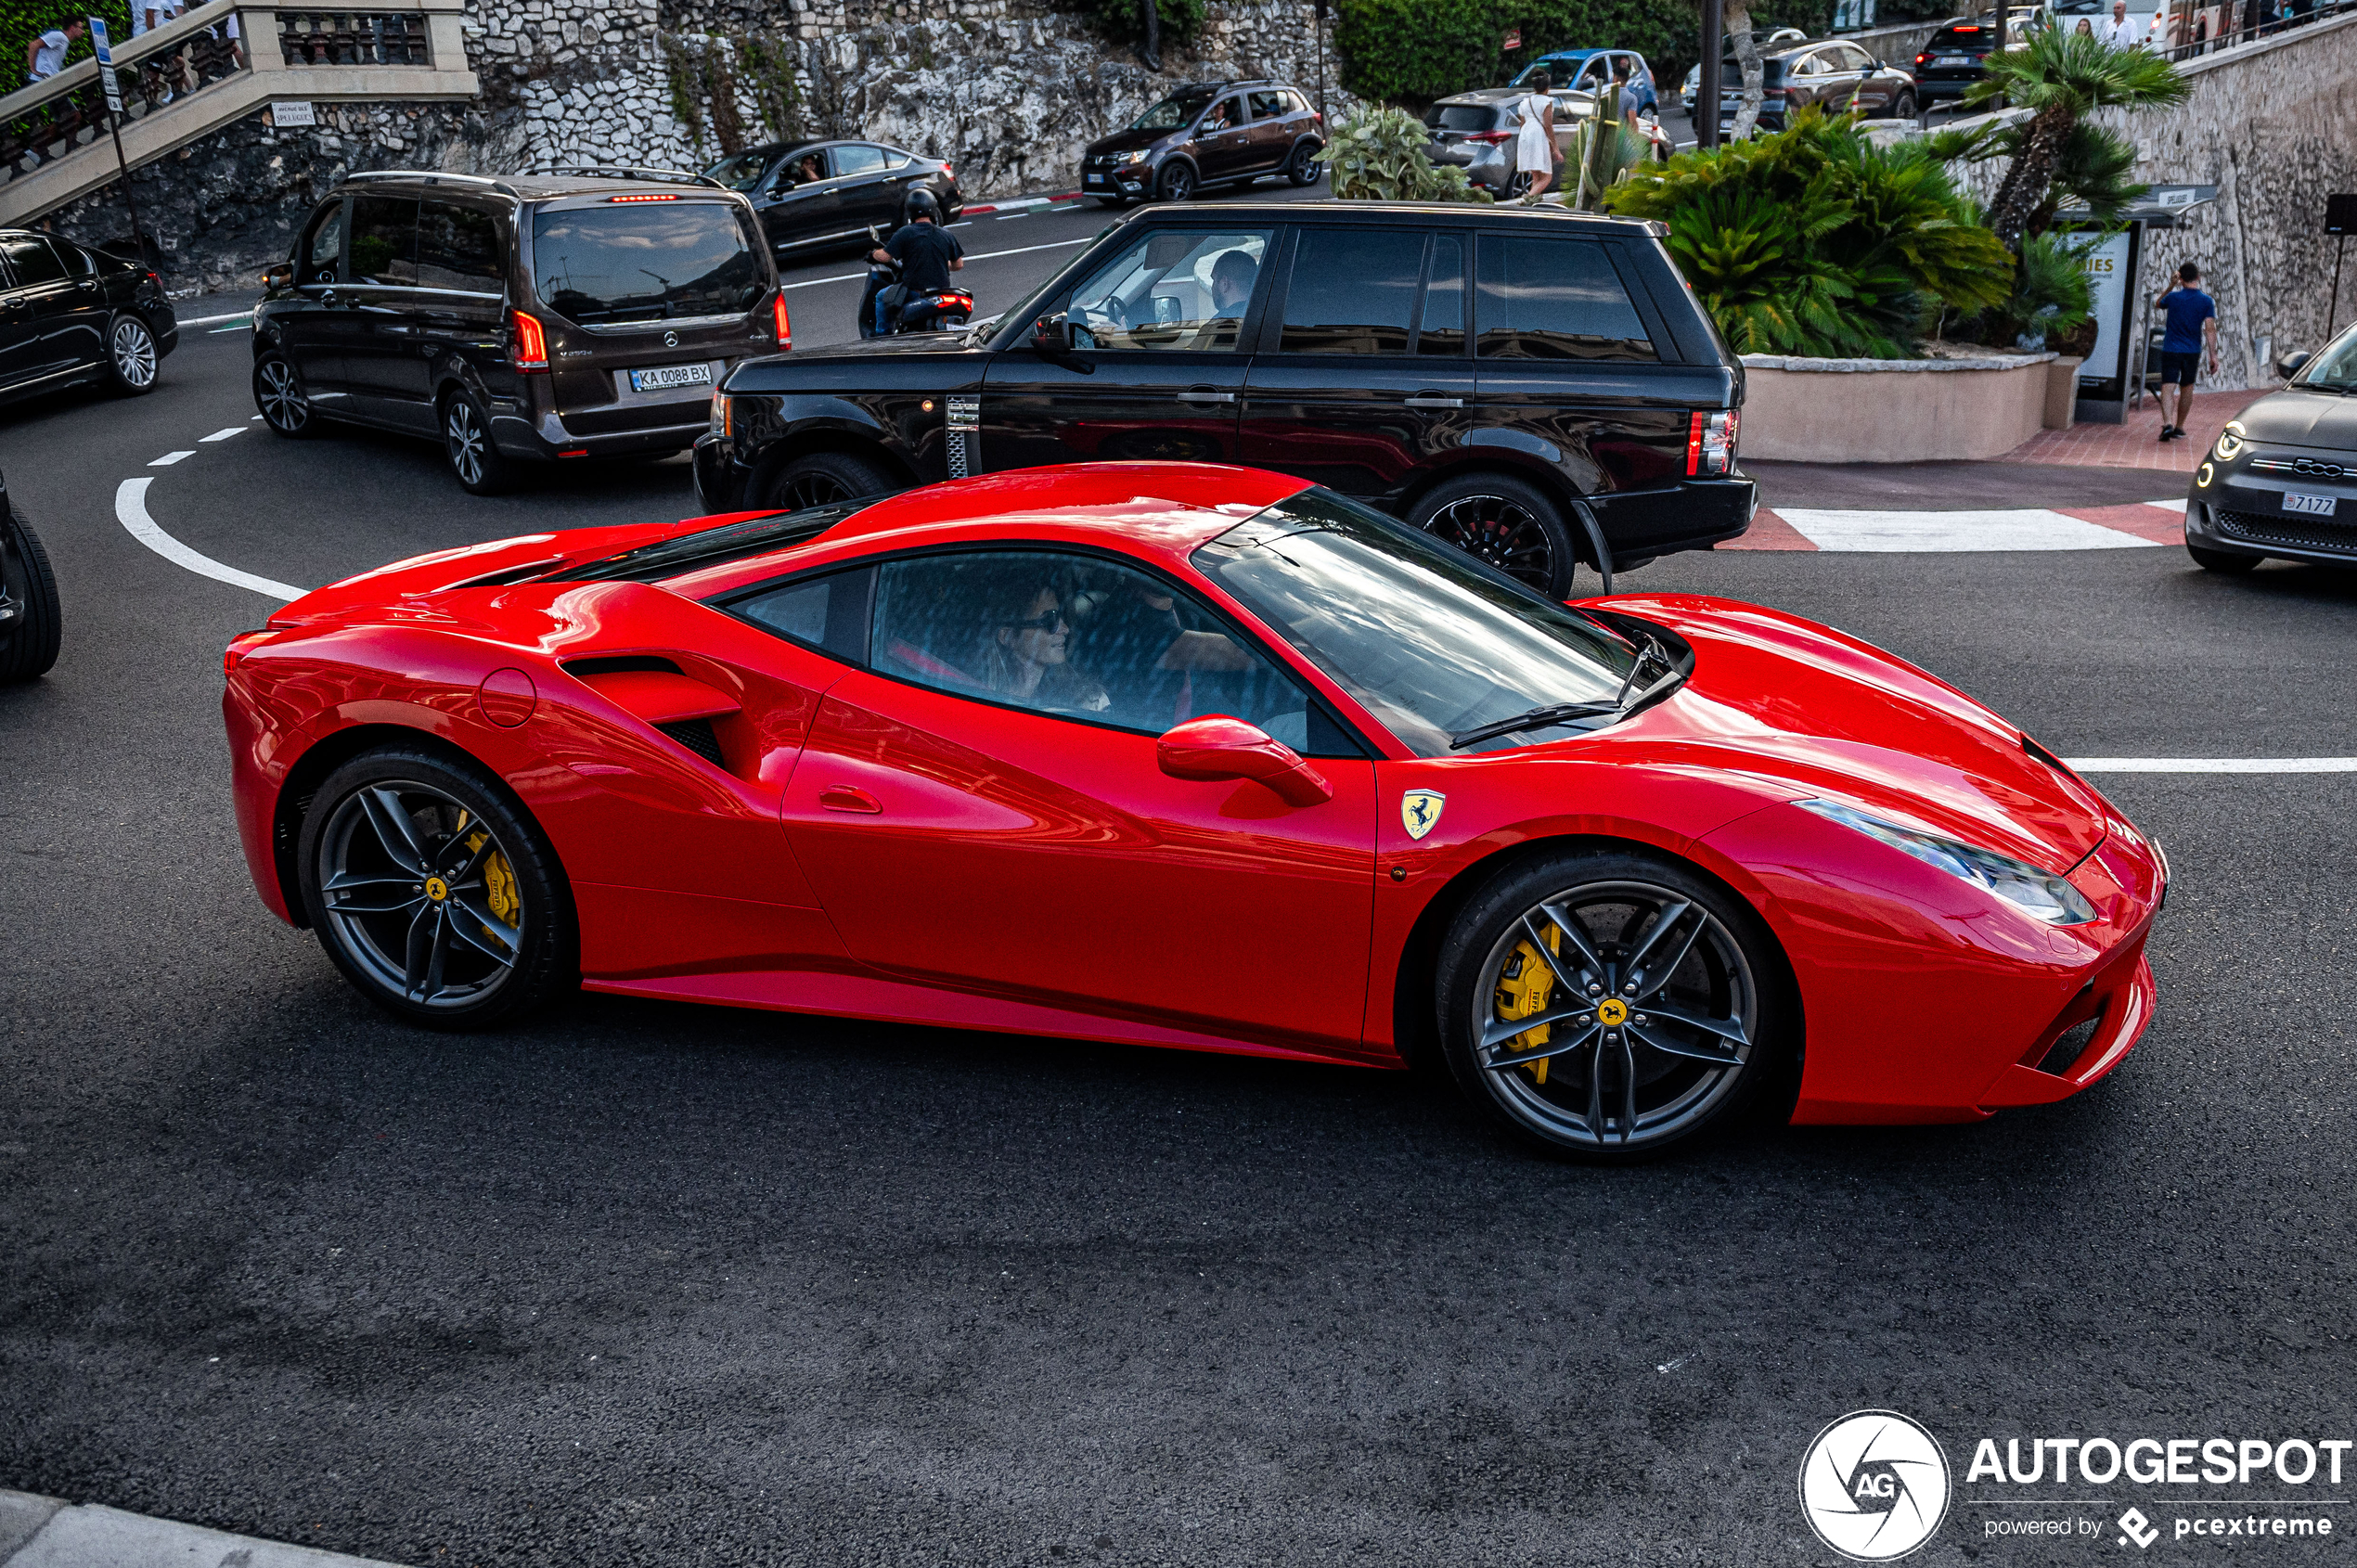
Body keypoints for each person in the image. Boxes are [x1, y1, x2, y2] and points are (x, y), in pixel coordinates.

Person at [979, 578, 1109, 712]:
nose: (1065, 629)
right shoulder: (975, 692)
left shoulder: (1091, 703)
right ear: (1007, 636)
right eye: (1049, 620)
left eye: (1060, 617)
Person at [868, 186, 963, 334]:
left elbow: (885, 256)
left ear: (910, 211)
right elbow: (959, 264)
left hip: (915, 292)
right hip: (942, 292)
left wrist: (873, 253)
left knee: (881, 297)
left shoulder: (905, 233)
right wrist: (943, 263)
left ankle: (882, 336)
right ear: (932, 209)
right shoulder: (946, 234)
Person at [2152, 262, 2219, 442]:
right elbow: (2210, 328)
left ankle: (2167, 423)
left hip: (2171, 348)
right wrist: (2213, 355)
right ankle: (2179, 426)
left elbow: (2158, 303)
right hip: (2192, 350)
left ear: (2180, 278)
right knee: (2187, 387)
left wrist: (2171, 285)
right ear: (2198, 277)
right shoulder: (2206, 301)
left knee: (2167, 386)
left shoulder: (2173, 298)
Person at [1513, 69, 1557, 205]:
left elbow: (1522, 123)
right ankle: (1526, 199)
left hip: (1525, 135)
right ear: (1548, 88)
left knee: (1536, 175)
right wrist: (1555, 147)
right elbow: (1548, 125)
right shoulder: (1547, 101)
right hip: (1538, 135)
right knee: (1547, 176)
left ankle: (1530, 204)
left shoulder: (1525, 102)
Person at [26, 19, 84, 83]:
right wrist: (33, 69)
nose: (83, 31)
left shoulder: (64, 40)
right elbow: (33, 45)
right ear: (72, 28)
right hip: (40, 80)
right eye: (81, 28)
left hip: (48, 80)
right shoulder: (59, 36)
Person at [1209, 249, 1256, 317]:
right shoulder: (1267, 311)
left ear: (1225, 283)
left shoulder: (1218, 324)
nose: (1212, 287)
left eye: (1214, 280)